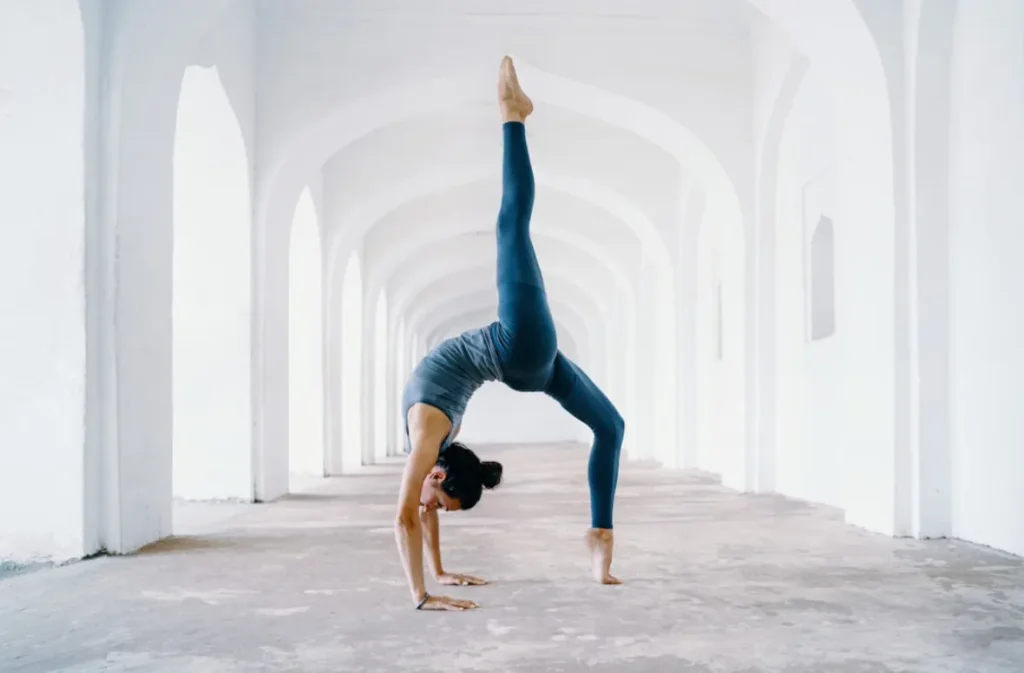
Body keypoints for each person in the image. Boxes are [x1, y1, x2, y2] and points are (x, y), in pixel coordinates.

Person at [394, 56, 626, 612]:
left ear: (439, 473)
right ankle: (598, 537)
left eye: (441, 505)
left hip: (523, 351)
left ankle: (512, 117)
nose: (433, 509)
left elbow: (404, 514)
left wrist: (425, 592)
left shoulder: (428, 435)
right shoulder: (434, 452)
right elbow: (421, 509)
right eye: (445, 505)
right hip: (523, 354)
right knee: (611, 428)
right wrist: (437, 576)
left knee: (611, 426)